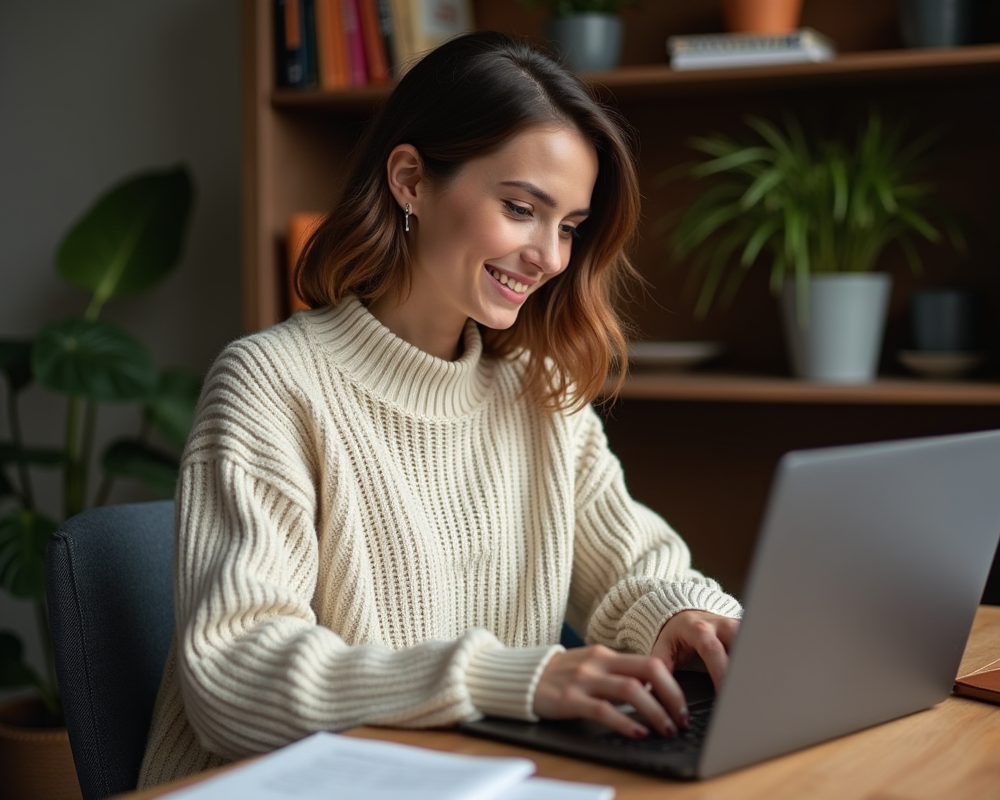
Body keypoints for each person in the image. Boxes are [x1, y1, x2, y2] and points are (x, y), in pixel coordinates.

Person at [137, 30, 742, 789]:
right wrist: (499, 680)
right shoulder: (270, 384)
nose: (551, 257)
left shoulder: (535, 391)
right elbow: (233, 676)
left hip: (473, 779)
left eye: (568, 227)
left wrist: (683, 616)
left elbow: (636, 569)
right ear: (411, 181)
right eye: (520, 208)